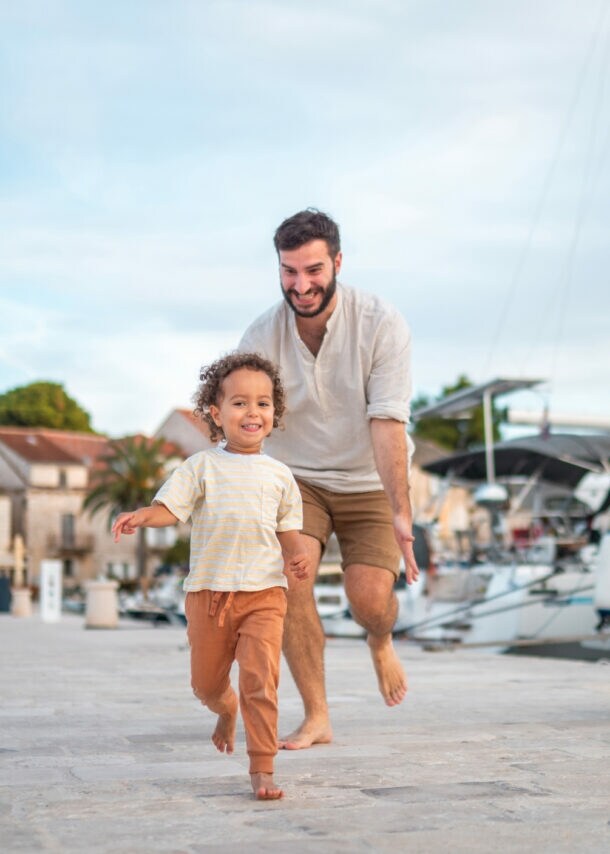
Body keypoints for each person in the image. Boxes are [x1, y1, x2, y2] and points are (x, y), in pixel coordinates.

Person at [239, 208, 419, 750]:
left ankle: (380, 638)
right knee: (292, 579)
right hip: (301, 481)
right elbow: (245, 422)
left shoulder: (381, 323)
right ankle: (317, 715)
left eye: (313, 270)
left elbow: (387, 424)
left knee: (369, 600)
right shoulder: (260, 335)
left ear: (337, 262)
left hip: (369, 476)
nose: (302, 285)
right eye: (290, 271)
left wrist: (401, 510)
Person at [112, 353, 311, 800]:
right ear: (216, 414)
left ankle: (262, 767)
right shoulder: (201, 467)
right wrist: (143, 515)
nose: (252, 412)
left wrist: (297, 557)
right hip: (208, 595)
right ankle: (225, 710)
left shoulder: (280, 476)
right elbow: (171, 509)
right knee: (205, 684)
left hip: (264, 593)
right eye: (240, 403)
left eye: (263, 403)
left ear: (274, 414)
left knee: (261, 678)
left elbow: (289, 531)